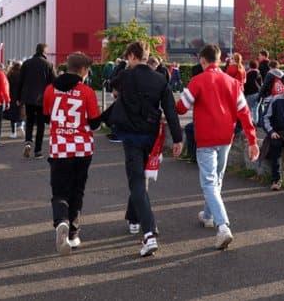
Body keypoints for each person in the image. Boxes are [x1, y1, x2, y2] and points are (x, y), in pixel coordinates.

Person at [175, 44, 259, 250]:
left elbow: (181, 107)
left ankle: (223, 226)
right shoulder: (232, 82)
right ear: (219, 60)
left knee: (209, 182)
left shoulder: (198, 80)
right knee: (217, 179)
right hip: (226, 137)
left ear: (202, 60)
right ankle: (208, 215)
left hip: (206, 138)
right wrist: (252, 140)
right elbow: (245, 112)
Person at [108, 41, 183, 257]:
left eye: (127, 57)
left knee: (137, 181)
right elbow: (170, 110)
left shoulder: (125, 76)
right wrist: (177, 139)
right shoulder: (160, 79)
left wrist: (121, 66)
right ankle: (133, 217)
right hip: (151, 136)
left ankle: (149, 232)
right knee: (141, 178)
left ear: (132, 56)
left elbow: (111, 84)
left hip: (130, 136)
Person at [43, 52, 103, 256]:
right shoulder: (87, 91)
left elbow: (46, 117)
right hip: (82, 148)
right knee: (77, 190)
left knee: (59, 191)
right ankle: (74, 233)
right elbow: (94, 123)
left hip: (59, 148)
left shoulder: (50, 89)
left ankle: (61, 221)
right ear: (83, 70)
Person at [16, 43, 56, 159]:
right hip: (42, 99)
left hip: (28, 98)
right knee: (40, 125)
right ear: (44, 51)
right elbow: (54, 82)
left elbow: (20, 81)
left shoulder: (26, 63)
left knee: (29, 121)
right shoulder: (48, 64)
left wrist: (18, 98)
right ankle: (38, 151)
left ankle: (28, 141)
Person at [6, 61, 24, 138]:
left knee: (13, 116)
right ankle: (21, 125)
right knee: (22, 113)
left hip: (12, 97)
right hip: (21, 97)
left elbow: (7, 86)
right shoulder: (23, 75)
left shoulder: (10, 75)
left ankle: (13, 133)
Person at [243, 60, 262, 124]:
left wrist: (245, 93)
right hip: (258, 93)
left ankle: (250, 123)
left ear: (250, 65)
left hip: (250, 93)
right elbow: (261, 84)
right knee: (256, 109)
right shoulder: (258, 73)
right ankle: (255, 122)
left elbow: (247, 85)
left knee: (249, 109)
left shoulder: (248, 73)